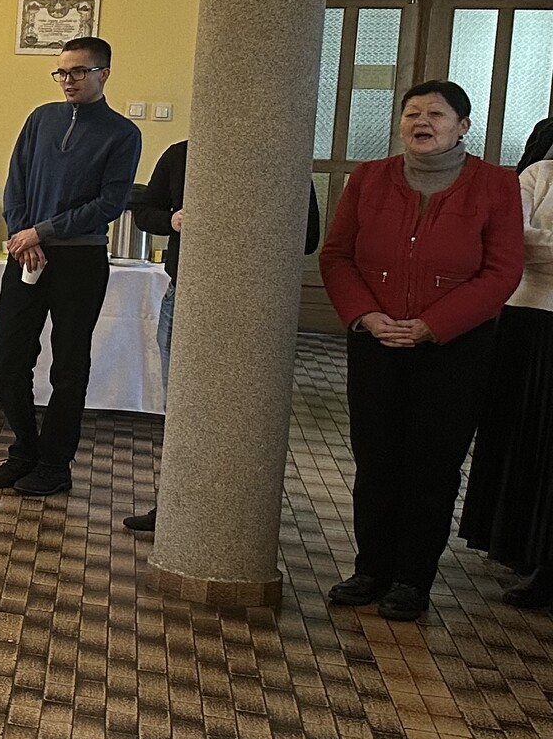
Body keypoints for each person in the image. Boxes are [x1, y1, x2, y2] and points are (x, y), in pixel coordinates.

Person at [321, 81, 524, 621]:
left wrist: (432, 326)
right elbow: (337, 256)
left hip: (455, 347)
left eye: (436, 113)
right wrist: (367, 316)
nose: (422, 122)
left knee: (432, 465)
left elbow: (502, 270)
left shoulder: (497, 184)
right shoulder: (369, 178)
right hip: (376, 340)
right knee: (375, 458)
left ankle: (412, 579)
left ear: (462, 125)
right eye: (412, 113)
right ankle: (371, 569)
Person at [119, 136, 319, 533]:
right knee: (180, 409)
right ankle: (174, 506)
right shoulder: (180, 154)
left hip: (252, 304)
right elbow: (145, 213)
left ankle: (234, 514)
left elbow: (308, 236)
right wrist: (173, 220)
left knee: (240, 414)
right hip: (185, 294)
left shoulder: (282, 154)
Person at [0, 36, 140, 498]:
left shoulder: (122, 133)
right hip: (26, 253)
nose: (68, 81)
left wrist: (42, 232)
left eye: (78, 72)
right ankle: (24, 451)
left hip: (79, 260)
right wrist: (23, 232)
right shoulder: (41, 118)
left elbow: (109, 203)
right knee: (10, 359)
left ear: (103, 74)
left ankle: (55, 463)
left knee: (68, 367)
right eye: (62, 73)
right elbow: (16, 182)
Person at [461, 117, 553, 607]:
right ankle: (520, 549)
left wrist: (543, 243)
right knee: (522, 437)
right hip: (526, 320)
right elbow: (515, 241)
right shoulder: (539, 174)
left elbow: (537, 242)